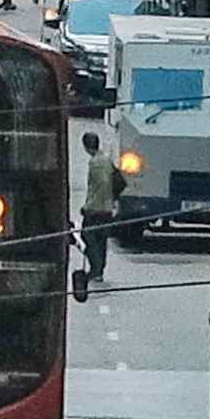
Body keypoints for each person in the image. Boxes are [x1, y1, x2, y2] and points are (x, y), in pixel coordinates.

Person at [72, 128, 122, 299]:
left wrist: (89, 206)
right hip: (106, 208)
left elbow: (99, 186)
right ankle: (99, 270)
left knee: (89, 237)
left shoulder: (96, 163)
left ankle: (95, 269)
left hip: (96, 209)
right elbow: (118, 181)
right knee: (101, 240)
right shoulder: (106, 160)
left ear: (86, 146)